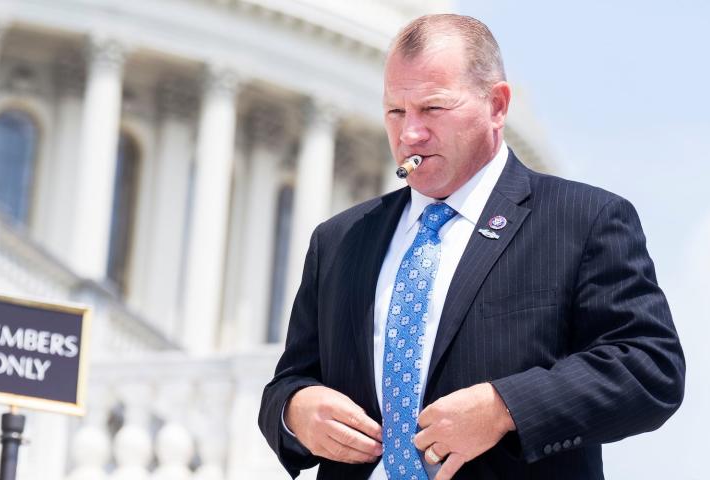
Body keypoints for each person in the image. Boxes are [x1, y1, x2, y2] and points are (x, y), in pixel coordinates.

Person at [258, 14, 685, 480]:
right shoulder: (340, 240)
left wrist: (505, 407)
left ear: (497, 105)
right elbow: (289, 380)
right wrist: (296, 412)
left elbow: (649, 368)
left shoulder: (583, 220)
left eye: (433, 109)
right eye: (395, 112)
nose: (409, 135)